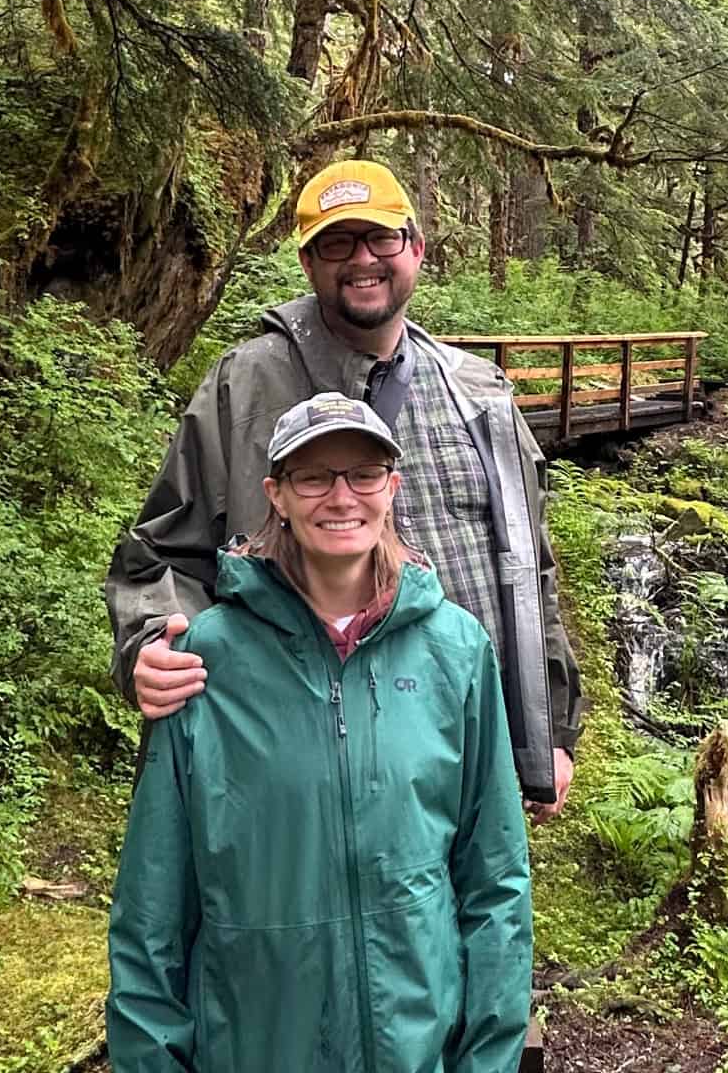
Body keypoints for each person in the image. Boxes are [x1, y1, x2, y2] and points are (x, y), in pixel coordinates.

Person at [105, 157, 585, 812]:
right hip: (294, 771)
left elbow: (531, 575)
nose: (362, 259)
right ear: (308, 263)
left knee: (467, 909)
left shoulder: (480, 394)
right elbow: (163, 551)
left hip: (464, 755)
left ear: (416, 249)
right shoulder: (243, 388)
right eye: (337, 243)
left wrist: (547, 731)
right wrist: (151, 642)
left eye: (381, 238)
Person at [107, 393, 533, 1072]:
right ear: (276, 494)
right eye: (314, 476)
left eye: (363, 473)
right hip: (255, 1044)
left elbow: (495, 883)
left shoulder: (457, 651)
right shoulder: (205, 660)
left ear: (392, 488)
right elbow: (151, 908)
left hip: (418, 1047)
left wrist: (489, 1057)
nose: (342, 497)